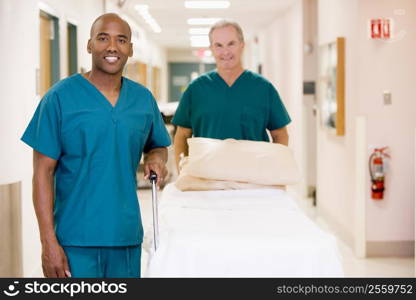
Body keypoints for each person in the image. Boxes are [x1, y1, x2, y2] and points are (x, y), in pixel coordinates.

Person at [21, 13, 170, 278]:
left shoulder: (143, 99)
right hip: (73, 240)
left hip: (125, 236)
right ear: (89, 45)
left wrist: (156, 158)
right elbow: (42, 174)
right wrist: (48, 243)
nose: (112, 47)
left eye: (121, 40)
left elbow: (157, 145)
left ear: (130, 49)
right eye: (103, 38)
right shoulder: (59, 98)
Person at [172, 20, 291, 171]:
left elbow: (280, 134)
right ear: (212, 49)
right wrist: (183, 171)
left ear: (242, 45)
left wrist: (274, 169)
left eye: (231, 44)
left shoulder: (263, 88)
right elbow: (182, 135)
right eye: (219, 45)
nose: (225, 52)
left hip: (254, 176)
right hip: (207, 176)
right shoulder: (196, 89)